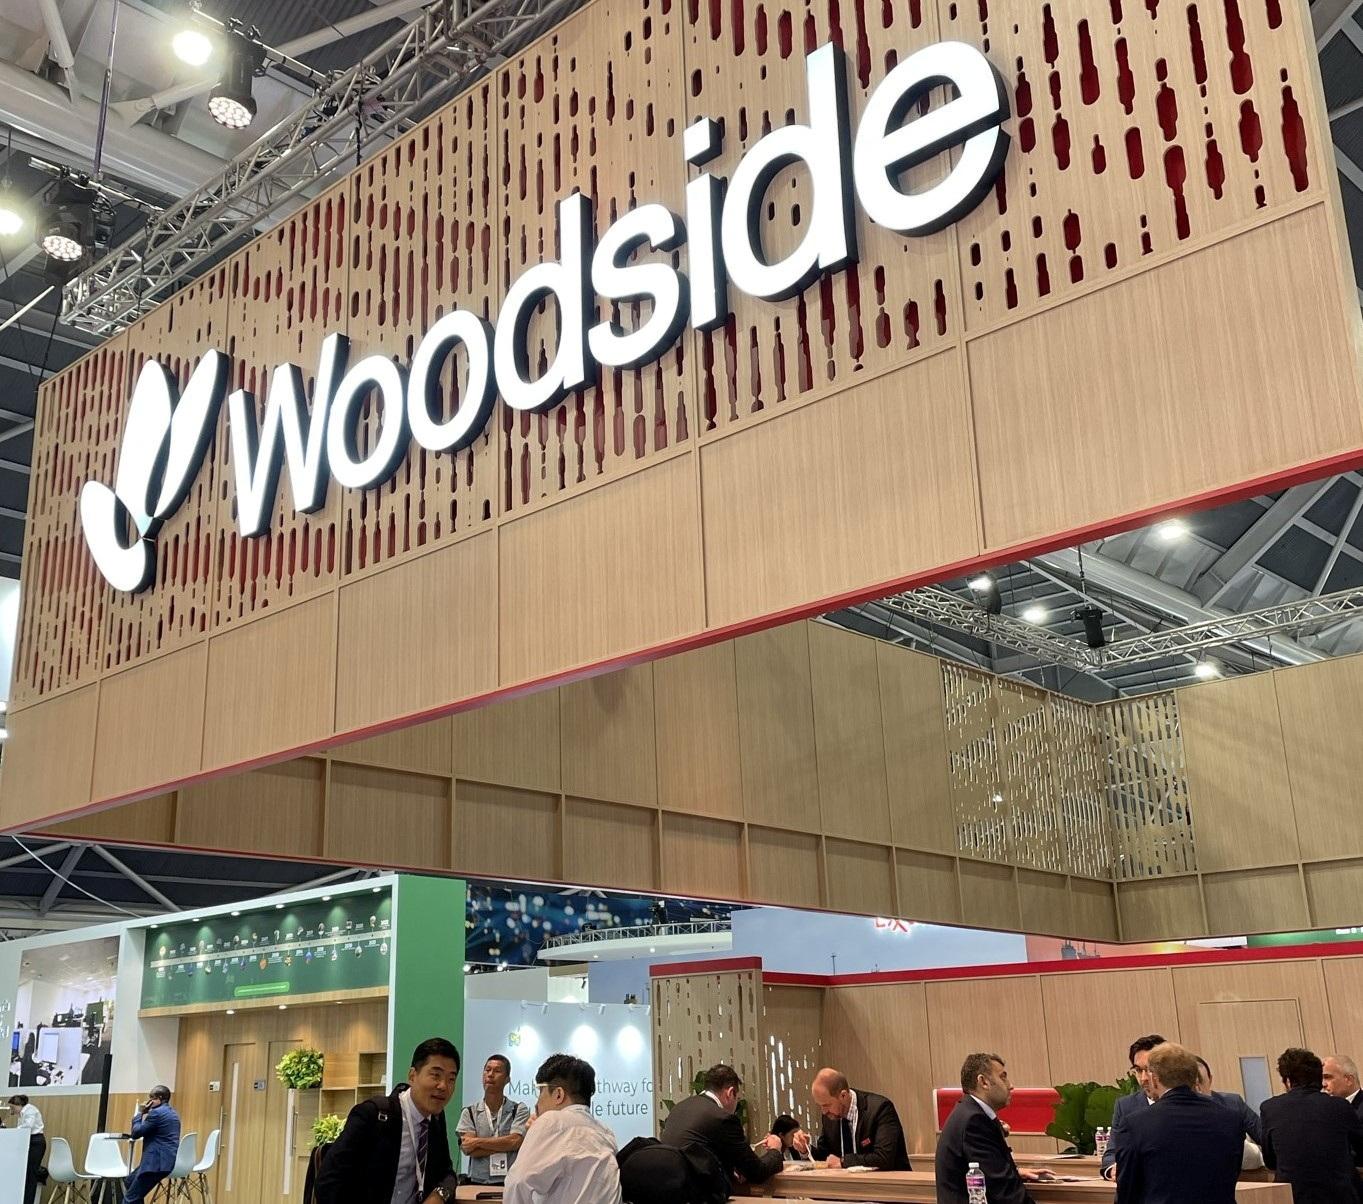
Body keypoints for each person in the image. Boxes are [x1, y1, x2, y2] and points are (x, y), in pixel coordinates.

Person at [314, 1037, 459, 1204]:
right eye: (435, 1075)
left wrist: (439, 1195)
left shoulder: (435, 1119)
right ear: (412, 1076)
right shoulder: (372, 1115)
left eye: (451, 1079)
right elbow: (328, 1183)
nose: (443, 1086)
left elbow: (447, 1173)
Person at [1116, 1043, 1243, 1204]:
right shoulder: (1231, 1119)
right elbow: (1233, 1173)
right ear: (1193, 1077)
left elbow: (1126, 1191)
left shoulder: (1135, 1124)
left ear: (1154, 1079)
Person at [503, 1053, 621, 1204]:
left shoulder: (551, 1121)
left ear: (558, 1095)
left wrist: (538, 1128)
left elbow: (517, 1183)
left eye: (540, 1092)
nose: (537, 1102)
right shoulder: (606, 1132)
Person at [1259, 1047, 1363, 1204]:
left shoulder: (1270, 1108)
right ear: (1318, 1079)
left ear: (1288, 1081)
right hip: (1338, 1195)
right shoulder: (1340, 1106)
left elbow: (1271, 1161)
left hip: (1293, 1195)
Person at [935, 1053, 1042, 1204]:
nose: (1010, 1085)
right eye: (1003, 1077)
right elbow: (1004, 1192)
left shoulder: (968, 1112)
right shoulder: (974, 1121)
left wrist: (1016, 1172)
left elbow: (988, 1170)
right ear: (983, 1082)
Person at [660, 1064, 782, 1191]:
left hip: (669, 1190)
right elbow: (757, 1172)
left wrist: (730, 1169)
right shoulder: (723, 1118)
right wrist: (775, 1150)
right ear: (730, 1093)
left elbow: (700, 1152)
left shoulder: (679, 1108)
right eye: (737, 1099)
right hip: (699, 1195)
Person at [806, 1066, 910, 1170]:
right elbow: (826, 1157)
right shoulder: (830, 1117)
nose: (824, 1112)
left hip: (889, 1179)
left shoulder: (880, 1109)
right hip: (844, 1180)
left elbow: (883, 1158)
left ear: (843, 1096)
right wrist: (805, 1149)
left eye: (826, 1105)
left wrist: (844, 1162)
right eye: (820, 1105)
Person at [1101, 1032, 1165, 1180]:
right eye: (1138, 1070)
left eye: (1149, 1070)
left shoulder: (1186, 1105)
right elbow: (1111, 1154)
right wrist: (1113, 1169)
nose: (1143, 1078)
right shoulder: (1126, 1106)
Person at [457, 1054, 530, 1185]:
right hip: (478, 1182)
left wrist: (477, 1142)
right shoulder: (469, 1112)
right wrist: (506, 1146)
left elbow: (515, 1141)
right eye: (487, 1070)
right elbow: (469, 1149)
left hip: (510, 1183)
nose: (490, 1074)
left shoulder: (519, 1109)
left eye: (497, 1071)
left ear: (507, 1079)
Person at [1193, 1055, 1264, 1168]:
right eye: (1192, 1086)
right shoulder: (1175, 1113)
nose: (1198, 1090)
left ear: (1210, 1079)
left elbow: (1262, 1135)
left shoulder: (1233, 1103)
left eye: (1200, 1083)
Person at [125, 1085, 182, 1204]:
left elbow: (136, 1133)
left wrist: (140, 1113)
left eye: (151, 1098)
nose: (149, 1102)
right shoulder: (173, 1114)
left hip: (155, 1164)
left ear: (159, 1098)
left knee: (130, 1199)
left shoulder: (156, 1113)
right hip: (165, 1162)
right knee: (130, 1182)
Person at [8, 1095, 44, 1204]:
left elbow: (28, 1126)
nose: (12, 1111)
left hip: (36, 1142)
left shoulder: (30, 1110)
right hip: (29, 1142)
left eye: (13, 1108)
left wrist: (13, 1131)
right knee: (26, 1175)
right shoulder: (22, 1114)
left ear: (19, 1105)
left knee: (31, 1175)